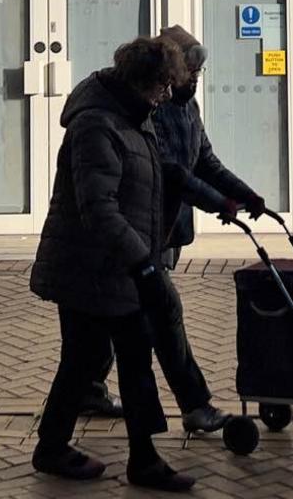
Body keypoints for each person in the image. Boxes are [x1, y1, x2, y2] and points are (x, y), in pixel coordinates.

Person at [29, 36, 196, 492]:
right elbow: (99, 208)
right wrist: (143, 264)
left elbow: (155, 181)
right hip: (89, 268)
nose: (166, 96)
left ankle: (136, 457)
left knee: (122, 360)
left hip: (117, 266)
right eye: (163, 86)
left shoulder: (132, 118)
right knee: (85, 361)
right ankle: (58, 448)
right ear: (143, 81)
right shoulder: (97, 125)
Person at [85, 25, 266, 436]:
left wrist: (245, 195)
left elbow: (205, 161)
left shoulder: (187, 107)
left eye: (199, 75)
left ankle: (87, 389)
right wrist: (219, 203)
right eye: (190, 74)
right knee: (162, 318)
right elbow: (171, 172)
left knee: (106, 317)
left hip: (165, 230)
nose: (193, 82)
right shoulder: (149, 106)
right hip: (140, 233)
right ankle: (194, 405)